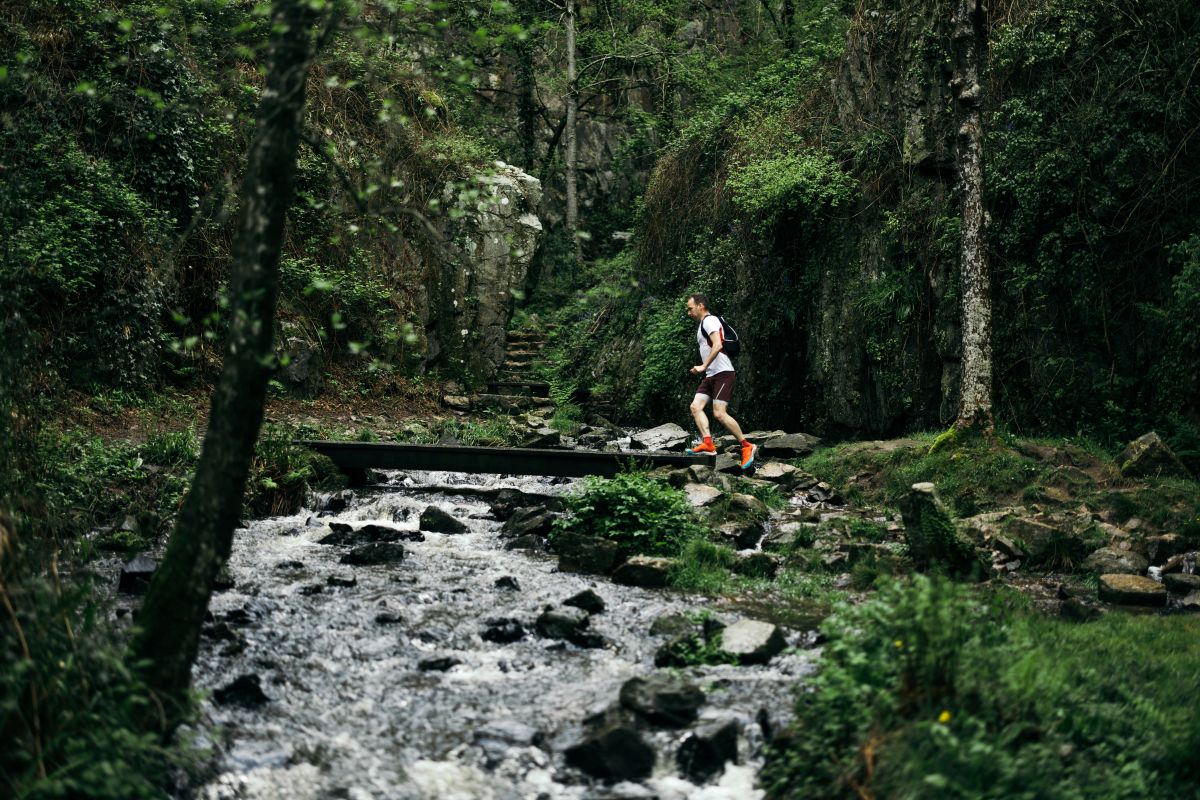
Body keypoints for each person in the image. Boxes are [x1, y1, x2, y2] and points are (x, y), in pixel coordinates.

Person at [683, 294, 757, 469]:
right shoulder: (703, 324)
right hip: (711, 375)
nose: (688, 312)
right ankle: (708, 443)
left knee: (719, 413)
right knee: (695, 407)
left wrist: (702, 366)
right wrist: (705, 369)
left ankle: (747, 446)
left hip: (723, 373)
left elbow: (717, 344)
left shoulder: (710, 321)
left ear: (701, 306)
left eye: (690, 308)